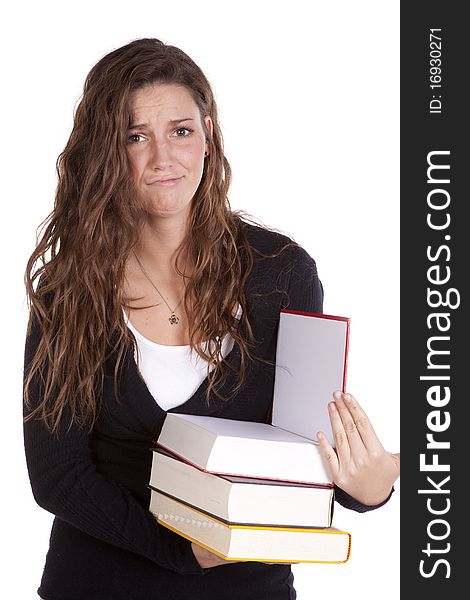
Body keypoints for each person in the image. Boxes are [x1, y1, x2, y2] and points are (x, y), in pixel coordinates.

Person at [23, 37, 400, 600]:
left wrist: (367, 488)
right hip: (97, 584)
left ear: (208, 134)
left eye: (180, 131)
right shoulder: (69, 289)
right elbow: (58, 474)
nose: (162, 159)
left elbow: (305, 446)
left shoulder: (282, 275)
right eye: (135, 137)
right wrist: (178, 548)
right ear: (107, 150)